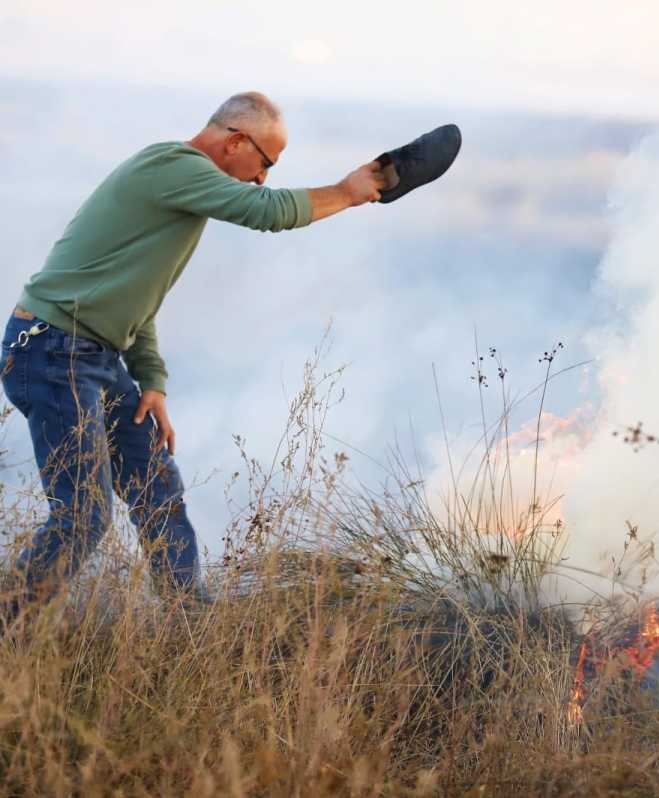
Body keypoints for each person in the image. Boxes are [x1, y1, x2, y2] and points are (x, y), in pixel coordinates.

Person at [0, 91, 387, 616]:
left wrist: (150, 381)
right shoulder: (172, 167)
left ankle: (191, 624)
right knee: (83, 517)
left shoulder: (182, 184)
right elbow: (265, 212)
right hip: (51, 350)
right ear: (235, 141)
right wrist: (346, 192)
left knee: (156, 487)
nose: (261, 178)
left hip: (90, 355)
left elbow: (138, 295)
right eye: (265, 162)